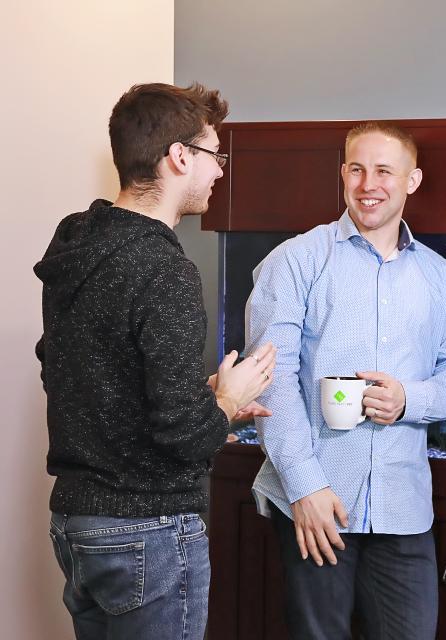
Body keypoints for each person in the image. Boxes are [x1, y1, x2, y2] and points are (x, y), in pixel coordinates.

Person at [35, 82, 277, 640]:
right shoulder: (162, 267)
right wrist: (226, 401)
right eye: (215, 156)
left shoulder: (76, 243)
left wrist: (203, 400)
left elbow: (75, 371)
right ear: (179, 157)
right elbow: (185, 438)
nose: (220, 172)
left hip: (75, 524)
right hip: (146, 531)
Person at [246, 122, 446, 640]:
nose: (367, 183)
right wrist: (306, 487)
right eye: (356, 169)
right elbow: (269, 379)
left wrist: (408, 399)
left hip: (403, 504)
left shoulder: (442, 277)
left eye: (383, 171)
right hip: (318, 503)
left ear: (411, 180)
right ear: (343, 175)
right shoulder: (297, 260)